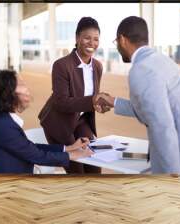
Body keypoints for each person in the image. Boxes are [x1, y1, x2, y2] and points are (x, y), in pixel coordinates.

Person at [94, 16, 180, 174]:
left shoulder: (141, 69)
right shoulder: (161, 60)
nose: (117, 47)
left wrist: (170, 177)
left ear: (122, 40)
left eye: (116, 42)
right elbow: (151, 108)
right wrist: (113, 102)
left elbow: (162, 127)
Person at [0, 69, 93, 174]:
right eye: (21, 84)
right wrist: (73, 155)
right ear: (7, 93)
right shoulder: (3, 125)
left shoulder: (2, 120)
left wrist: (69, 148)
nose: (27, 89)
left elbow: (31, 148)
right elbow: (37, 156)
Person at [38, 17, 107, 174]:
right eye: (87, 38)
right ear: (77, 38)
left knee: (95, 161)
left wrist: (99, 104)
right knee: (77, 168)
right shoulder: (61, 65)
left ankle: (93, 198)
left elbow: (91, 100)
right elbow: (61, 102)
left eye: (96, 39)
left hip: (80, 120)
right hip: (58, 122)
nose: (92, 43)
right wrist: (92, 101)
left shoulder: (97, 66)